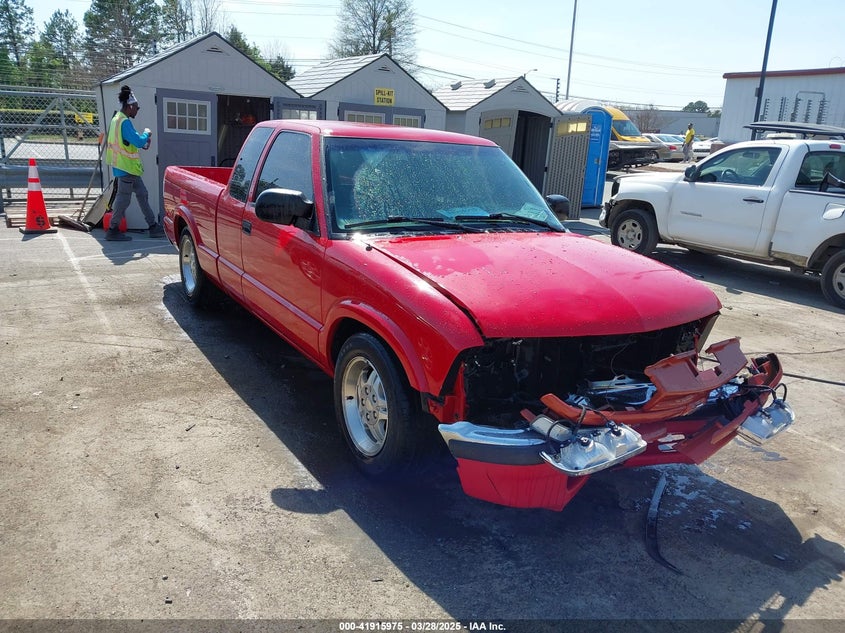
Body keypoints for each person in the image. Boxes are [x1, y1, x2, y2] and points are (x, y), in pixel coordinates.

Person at [104, 85, 164, 241]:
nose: (137, 110)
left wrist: (141, 140)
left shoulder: (117, 120)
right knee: (123, 200)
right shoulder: (123, 122)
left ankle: (152, 226)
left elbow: (129, 141)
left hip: (128, 169)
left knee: (142, 195)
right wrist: (147, 133)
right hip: (126, 168)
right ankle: (113, 229)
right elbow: (137, 141)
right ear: (130, 106)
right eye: (137, 107)